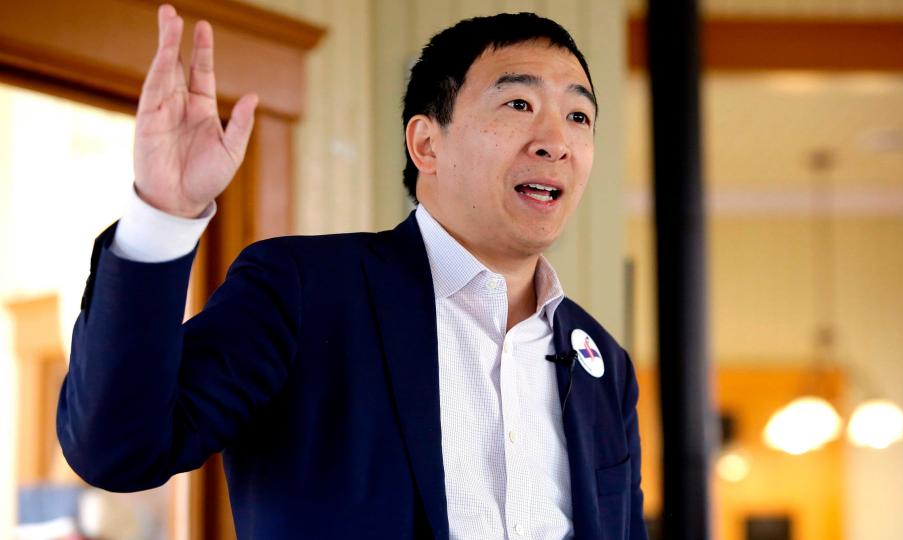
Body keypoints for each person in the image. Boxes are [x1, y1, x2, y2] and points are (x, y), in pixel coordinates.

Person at [57, 4, 648, 539]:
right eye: (519, 103)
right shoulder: (302, 289)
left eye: (579, 115)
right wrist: (162, 215)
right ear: (426, 145)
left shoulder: (603, 362)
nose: (556, 141)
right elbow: (120, 449)